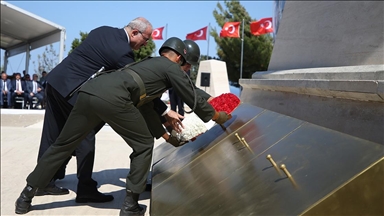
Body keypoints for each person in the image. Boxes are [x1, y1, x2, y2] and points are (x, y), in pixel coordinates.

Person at [15, 37, 230, 216]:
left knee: (63, 145)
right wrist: (217, 115)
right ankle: (130, 206)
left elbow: (145, 106)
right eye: (188, 66)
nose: (187, 70)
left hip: (89, 92)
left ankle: (25, 197)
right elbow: (192, 94)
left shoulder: (148, 65)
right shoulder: (169, 66)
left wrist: (166, 136)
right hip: (113, 98)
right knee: (144, 144)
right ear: (179, 58)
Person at [33, 17, 154, 203]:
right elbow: (133, 85)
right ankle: (86, 188)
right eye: (145, 39)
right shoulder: (123, 52)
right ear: (134, 32)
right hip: (73, 91)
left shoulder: (102, 30)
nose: (145, 44)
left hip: (56, 82)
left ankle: (43, 182)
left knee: (52, 133)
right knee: (85, 135)